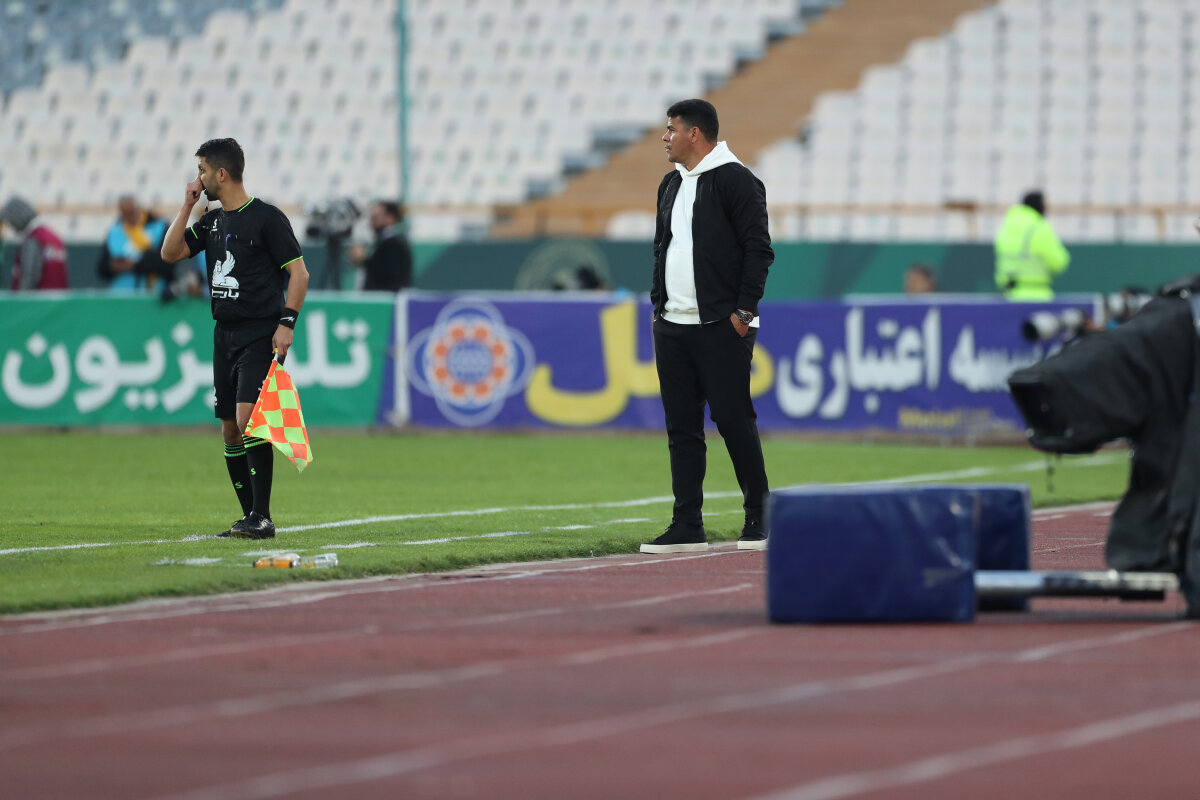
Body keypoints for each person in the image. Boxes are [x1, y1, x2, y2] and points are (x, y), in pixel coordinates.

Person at [641, 98, 774, 555]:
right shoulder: (670, 183)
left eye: (671, 129)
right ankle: (687, 524)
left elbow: (759, 249)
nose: (665, 137)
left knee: (734, 421)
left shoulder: (737, 180)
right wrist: (659, 306)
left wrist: (743, 313)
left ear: (694, 134)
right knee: (681, 428)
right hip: (672, 325)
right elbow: (663, 248)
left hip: (721, 325)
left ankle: (759, 517)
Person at [160, 138, 309, 540]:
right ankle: (249, 517)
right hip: (223, 334)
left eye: (202, 170)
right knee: (229, 428)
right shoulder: (211, 222)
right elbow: (170, 254)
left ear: (221, 174)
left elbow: (299, 274)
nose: (198, 178)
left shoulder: (266, 218)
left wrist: (287, 323)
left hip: (260, 331)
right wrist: (186, 206)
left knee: (248, 420)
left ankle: (262, 515)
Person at [994, 190, 1070, 300]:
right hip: (1036, 295)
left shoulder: (1007, 226)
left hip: (1008, 295)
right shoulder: (1039, 227)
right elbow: (1058, 263)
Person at [98, 195, 168, 293]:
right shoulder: (114, 231)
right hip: (119, 294)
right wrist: (112, 266)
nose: (128, 217)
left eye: (131, 212)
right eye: (124, 214)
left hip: (153, 293)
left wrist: (132, 265)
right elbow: (102, 267)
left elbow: (166, 263)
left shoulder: (159, 227)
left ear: (139, 209)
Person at [0, 196, 68, 291]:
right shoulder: (54, 238)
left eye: (12, 223)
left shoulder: (34, 239)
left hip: (39, 300)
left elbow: (29, 277)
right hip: (59, 299)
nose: (13, 228)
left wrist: (19, 299)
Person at [347, 200, 412, 292]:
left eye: (376, 217)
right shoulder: (379, 241)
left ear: (390, 218)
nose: (372, 220)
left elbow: (386, 275)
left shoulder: (395, 244)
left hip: (386, 297)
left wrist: (363, 261)